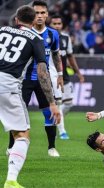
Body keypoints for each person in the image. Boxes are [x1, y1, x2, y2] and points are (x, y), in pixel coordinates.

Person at [0, 5, 60, 188]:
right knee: (22, 135)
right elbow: (43, 73)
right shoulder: (36, 38)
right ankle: (11, 180)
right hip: (8, 85)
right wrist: (52, 102)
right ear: (33, 21)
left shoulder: (2, 30)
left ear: (16, 19)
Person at [7, 0, 64, 157]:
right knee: (17, 114)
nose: (39, 16)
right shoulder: (24, 34)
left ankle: (51, 147)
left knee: (49, 113)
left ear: (47, 14)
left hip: (43, 80)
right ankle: (11, 146)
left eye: (42, 13)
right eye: (36, 13)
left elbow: (56, 55)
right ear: (32, 15)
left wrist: (60, 75)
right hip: (23, 80)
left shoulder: (53, 34)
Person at [49, 14, 85, 140]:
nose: (57, 26)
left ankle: (56, 118)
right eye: (54, 24)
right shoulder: (46, 37)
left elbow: (70, 57)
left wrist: (78, 73)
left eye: (59, 23)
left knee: (69, 104)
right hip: (52, 76)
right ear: (50, 24)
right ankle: (62, 131)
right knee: (58, 104)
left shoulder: (65, 38)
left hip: (64, 75)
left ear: (62, 25)